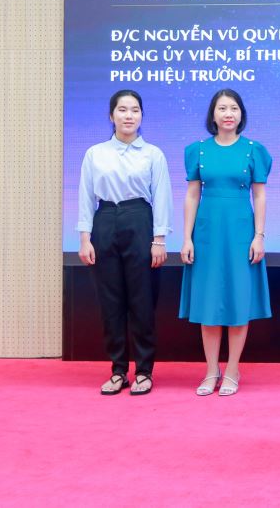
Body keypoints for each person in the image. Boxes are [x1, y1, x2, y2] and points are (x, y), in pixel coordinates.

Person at [77, 89, 173, 396]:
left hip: (139, 219)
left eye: (134, 110)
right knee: (111, 302)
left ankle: (144, 371)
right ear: (111, 115)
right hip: (104, 219)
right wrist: (85, 238)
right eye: (122, 110)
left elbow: (161, 197)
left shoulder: (153, 154)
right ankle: (118, 370)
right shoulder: (95, 153)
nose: (128, 115)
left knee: (142, 300)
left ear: (142, 116)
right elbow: (85, 197)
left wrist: (159, 239)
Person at [179, 89, 272, 397]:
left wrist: (259, 236)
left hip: (240, 232)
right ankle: (211, 371)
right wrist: (187, 237)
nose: (228, 113)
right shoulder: (198, 150)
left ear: (241, 113)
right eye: (222, 108)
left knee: (237, 301)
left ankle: (232, 370)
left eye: (234, 108)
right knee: (208, 302)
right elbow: (192, 195)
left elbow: (259, 195)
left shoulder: (253, 150)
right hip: (207, 233)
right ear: (213, 115)